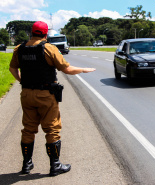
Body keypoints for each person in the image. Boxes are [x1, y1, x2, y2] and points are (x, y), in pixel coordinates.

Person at [9, 21, 96, 176]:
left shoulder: (19, 49)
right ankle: (55, 165)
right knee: (52, 129)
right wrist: (83, 69)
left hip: (27, 94)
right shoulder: (49, 49)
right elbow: (67, 69)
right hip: (45, 95)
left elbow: (12, 68)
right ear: (45, 34)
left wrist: (22, 80)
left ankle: (26, 164)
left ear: (31, 32)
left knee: (28, 129)